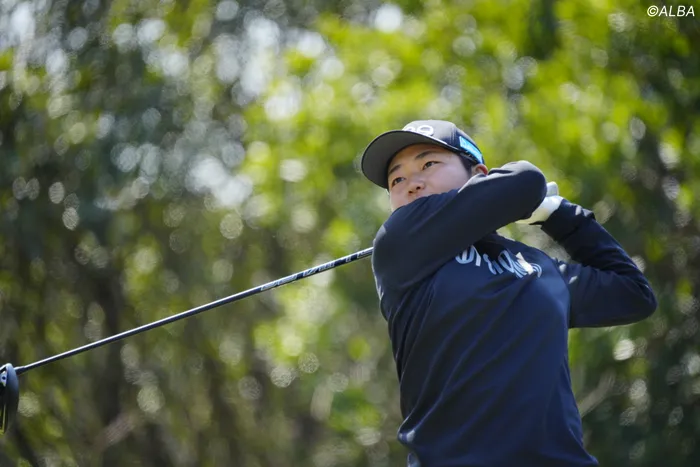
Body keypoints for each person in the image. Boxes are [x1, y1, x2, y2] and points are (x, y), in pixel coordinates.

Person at [360, 120, 658, 467]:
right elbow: (526, 179)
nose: (412, 183)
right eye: (396, 180)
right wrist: (524, 201)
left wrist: (560, 215)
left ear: (479, 175)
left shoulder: (536, 265)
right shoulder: (399, 243)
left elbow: (633, 293)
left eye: (428, 164)